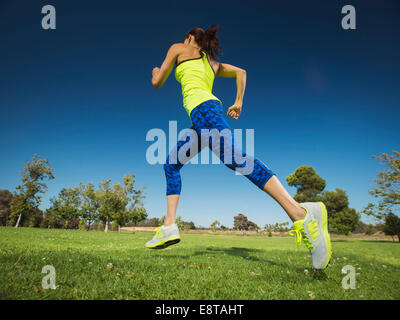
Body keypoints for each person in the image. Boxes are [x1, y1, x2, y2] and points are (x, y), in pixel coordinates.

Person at [147, 25, 331, 269]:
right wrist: (238, 102)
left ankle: (301, 216)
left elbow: (158, 82)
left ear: (190, 37)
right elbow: (241, 72)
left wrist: (156, 71)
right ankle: (169, 225)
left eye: (186, 37)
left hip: (205, 112)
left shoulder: (178, 48)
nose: (184, 40)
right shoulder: (211, 63)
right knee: (171, 164)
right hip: (200, 119)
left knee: (237, 161)